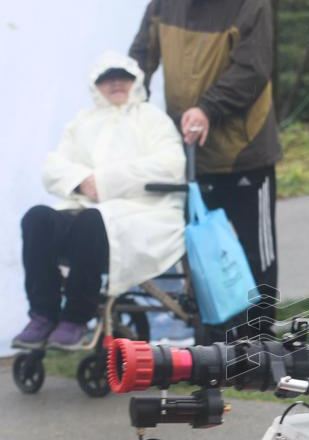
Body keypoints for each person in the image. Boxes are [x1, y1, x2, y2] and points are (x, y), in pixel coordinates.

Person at [129, 0, 282, 340]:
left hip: (244, 148)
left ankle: (257, 335)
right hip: (189, 152)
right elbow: (141, 56)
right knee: (200, 246)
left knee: (255, 249)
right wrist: (126, 98)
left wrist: (208, 109)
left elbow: (252, 69)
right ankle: (212, 333)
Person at [12, 52, 185, 351]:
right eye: (107, 78)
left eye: (123, 77)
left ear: (135, 81)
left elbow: (171, 166)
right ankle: (43, 314)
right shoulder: (83, 122)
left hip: (146, 213)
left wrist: (105, 181)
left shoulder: (151, 118)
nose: (116, 83)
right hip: (90, 211)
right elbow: (54, 168)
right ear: (97, 85)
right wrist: (82, 181)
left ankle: (76, 318)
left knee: (93, 222)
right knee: (37, 218)